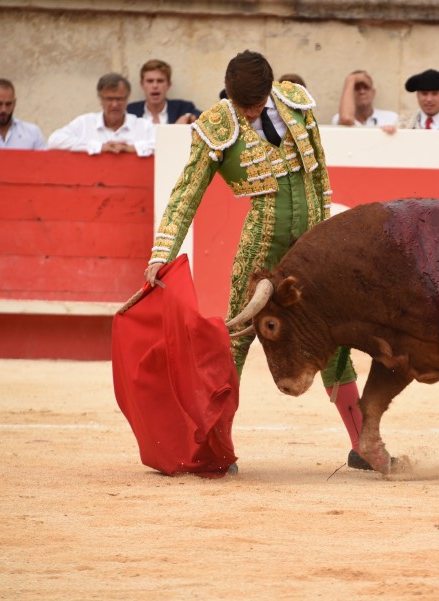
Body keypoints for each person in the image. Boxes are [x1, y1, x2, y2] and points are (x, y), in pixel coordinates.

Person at [142, 49, 377, 470]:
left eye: (254, 106)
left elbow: (320, 174)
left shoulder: (296, 103)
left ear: (269, 90)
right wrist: (163, 252)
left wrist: (326, 238)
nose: (248, 114)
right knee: (234, 342)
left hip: (312, 250)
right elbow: (186, 193)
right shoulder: (218, 124)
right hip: (261, 250)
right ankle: (216, 447)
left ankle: (364, 445)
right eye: (241, 107)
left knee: (336, 342)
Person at [48, 73, 155, 156]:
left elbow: (167, 145)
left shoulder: (144, 126)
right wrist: (99, 147)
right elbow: (54, 140)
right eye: (109, 99)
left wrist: (135, 148)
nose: (114, 104)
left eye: (119, 99)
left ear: (127, 99)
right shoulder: (85, 122)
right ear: (100, 99)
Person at [127, 59, 201, 125]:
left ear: (168, 85)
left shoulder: (183, 108)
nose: (155, 86)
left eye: (160, 81)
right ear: (142, 84)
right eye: (150, 81)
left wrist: (190, 117)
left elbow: (207, 119)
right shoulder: (130, 111)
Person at [331, 70, 398, 127]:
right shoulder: (338, 118)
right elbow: (346, 120)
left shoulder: (391, 118)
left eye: (366, 87)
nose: (362, 91)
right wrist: (351, 79)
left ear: (373, 93)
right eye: (356, 87)